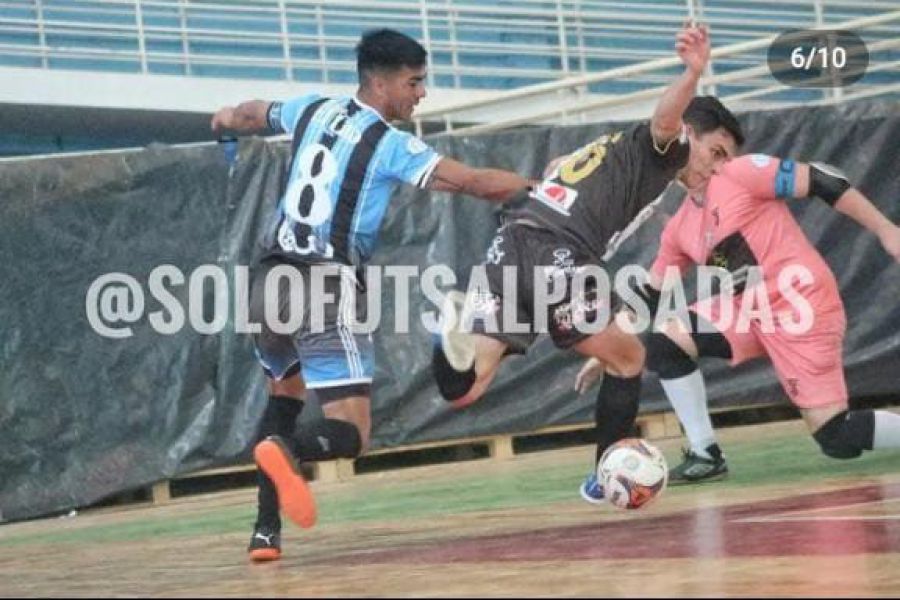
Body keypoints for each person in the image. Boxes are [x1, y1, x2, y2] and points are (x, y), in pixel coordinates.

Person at [211, 28, 532, 562]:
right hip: (324, 284)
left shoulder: (311, 108)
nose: (421, 93)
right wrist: (537, 190)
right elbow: (471, 181)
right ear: (380, 84)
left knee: (283, 399)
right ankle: (287, 453)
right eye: (415, 82)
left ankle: (265, 533)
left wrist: (221, 118)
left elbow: (250, 113)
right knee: (350, 431)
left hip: (267, 282)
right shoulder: (389, 144)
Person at [431, 23, 742, 503]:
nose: (717, 167)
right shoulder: (666, 144)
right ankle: (604, 478)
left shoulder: (611, 149)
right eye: (716, 152)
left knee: (467, 387)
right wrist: (693, 72)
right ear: (690, 133)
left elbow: (557, 166)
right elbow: (664, 121)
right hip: (561, 250)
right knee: (632, 358)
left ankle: (449, 337)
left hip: (515, 238)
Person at [574, 153, 900, 490]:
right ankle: (706, 454)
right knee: (666, 342)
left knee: (837, 437)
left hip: (799, 306)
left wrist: (887, 229)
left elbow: (823, 177)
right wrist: (604, 354)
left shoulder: (741, 173)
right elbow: (649, 295)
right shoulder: (679, 227)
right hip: (746, 312)